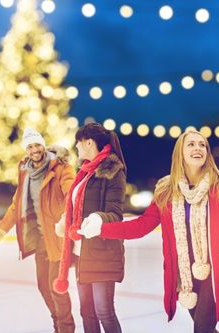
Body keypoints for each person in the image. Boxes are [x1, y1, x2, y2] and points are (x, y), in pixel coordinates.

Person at [80, 130, 219, 333]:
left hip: (215, 271)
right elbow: (141, 226)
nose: (198, 148)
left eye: (202, 145)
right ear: (180, 153)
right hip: (185, 275)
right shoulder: (166, 192)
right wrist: (101, 229)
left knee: (202, 329)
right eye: (191, 144)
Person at [0, 127, 75, 333]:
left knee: (57, 288)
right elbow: (15, 208)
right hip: (41, 241)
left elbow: (71, 193)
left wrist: (66, 217)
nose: (34, 150)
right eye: (30, 146)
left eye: (37, 145)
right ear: (26, 150)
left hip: (58, 238)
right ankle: (58, 326)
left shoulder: (60, 168)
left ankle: (66, 329)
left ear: (43, 145)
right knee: (43, 287)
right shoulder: (25, 174)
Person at [53, 122, 127, 333]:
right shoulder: (84, 172)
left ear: (89, 142)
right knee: (87, 312)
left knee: (104, 312)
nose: (76, 147)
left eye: (78, 143)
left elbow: (115, 213)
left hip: (102, 252)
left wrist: (96, 219)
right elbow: (75, 207)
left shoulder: (112, 171)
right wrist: (64, 222)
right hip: (80, 252)